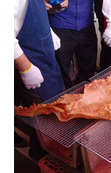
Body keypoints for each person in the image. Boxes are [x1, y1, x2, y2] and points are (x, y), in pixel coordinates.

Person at [14, 0, 64, 161]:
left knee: (55, 104)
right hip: (29, 58)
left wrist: (48, 31)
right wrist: (26, 68)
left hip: (43, 52)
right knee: (43, 114)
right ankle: (40, 156)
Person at [45, 0, 98, 89]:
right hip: (60, 26)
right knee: (61, 71)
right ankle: (63, 100)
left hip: (86, 26)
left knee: (88, 69)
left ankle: (87, 98)